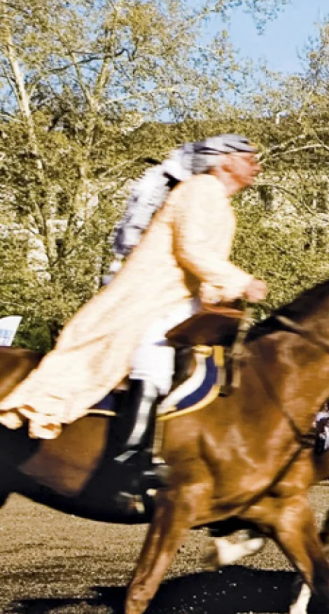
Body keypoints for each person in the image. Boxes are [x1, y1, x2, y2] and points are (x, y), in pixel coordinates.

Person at [0, 135, 269, 514]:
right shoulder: (200, 189)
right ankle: (128, 464)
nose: (256, 165)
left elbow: (201, 260)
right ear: (225, 162)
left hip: (177, 298)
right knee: (153, 358)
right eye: (249, 158)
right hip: (152, 295)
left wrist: (221, 295)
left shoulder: (215, 198)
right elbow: (191, 249)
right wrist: (241, 282)